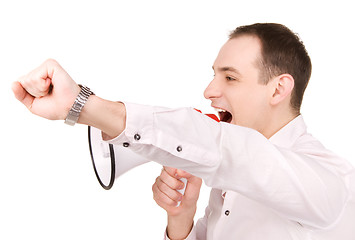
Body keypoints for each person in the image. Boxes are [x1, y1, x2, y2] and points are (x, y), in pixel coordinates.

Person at [12, 23, 354, 239]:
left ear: (278, 90)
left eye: (230, 78)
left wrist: (86, 106)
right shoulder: (229, 179)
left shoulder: (330, 179)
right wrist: (182, 221)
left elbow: (236, 153)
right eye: (214, 75)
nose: (209, 91)